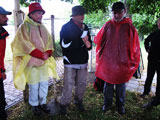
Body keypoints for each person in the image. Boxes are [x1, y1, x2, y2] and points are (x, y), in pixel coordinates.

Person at [11, 2, 59, 116]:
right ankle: (34, 105)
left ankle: (42, 103)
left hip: (43, 61)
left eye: (41, 13)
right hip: (31, 62)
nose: (40, 15)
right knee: (33, 85)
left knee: (44, 84)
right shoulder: (24, 26)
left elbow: (49, 41)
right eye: (38, 13)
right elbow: (22, 42)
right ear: (31, 14)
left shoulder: (42, 26)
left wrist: (48, 53)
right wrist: (38, 54)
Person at [94, 2, 140, 115]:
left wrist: (132, 60)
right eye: (115, 13)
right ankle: (107, 104)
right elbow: (99, 40)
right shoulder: (108, 25)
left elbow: (135, 46)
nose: (117, 15)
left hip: (122, 63)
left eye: (119, 12)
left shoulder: (129, 26)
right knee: (108, 85)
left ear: (124, 12)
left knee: (121, 86)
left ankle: (120, 106)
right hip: (109, 62)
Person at [58, 5, 92, 115]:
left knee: (81, 83)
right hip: (70, 61)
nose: (82, 16)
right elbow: (64, 45)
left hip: (83, 61)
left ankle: (78, 101)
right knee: (68, 84)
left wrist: (87, 43)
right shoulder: (66, 27)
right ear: (73, 16)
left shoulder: (85, 27)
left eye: (83, 14)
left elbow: (89, 46)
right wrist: (81, 42)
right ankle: (64, 104)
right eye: (79, 14)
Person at [140, 18, 160, 98]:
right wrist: (147, 49)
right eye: (158, 23)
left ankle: (157, 95)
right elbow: (146, 41)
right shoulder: (154, 33)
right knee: (149, 76)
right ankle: (146, 92)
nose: (159, 24)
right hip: (152, 59)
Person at [0, 6, 11, 120]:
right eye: (3, 16)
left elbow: (1, 55)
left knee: (1, 101)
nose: (6, 18)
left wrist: (2, 70)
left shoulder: (2, 33)